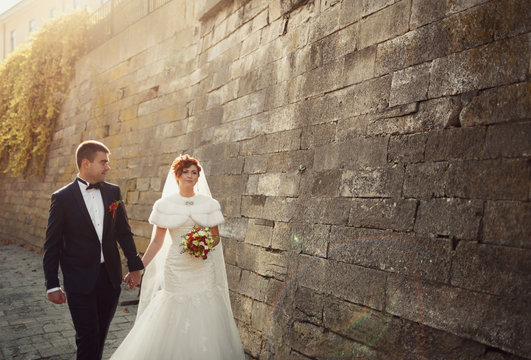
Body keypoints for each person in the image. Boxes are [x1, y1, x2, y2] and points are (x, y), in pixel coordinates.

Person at [111, 154, 245, 360]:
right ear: (177, 175)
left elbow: (216, 237)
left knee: (205, 308)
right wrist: (138, 268)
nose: (190, 176)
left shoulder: (208, 204)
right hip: (176, 267)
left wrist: (204, 243)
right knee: (173, 307)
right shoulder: (165, 204)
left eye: (194, 172)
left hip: (202, 266)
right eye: (186, 172)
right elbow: (156, 242)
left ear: (198, 176)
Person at [43, 140, 144, 360]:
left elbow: (124, 233)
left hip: (109, 278)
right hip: (79, 280)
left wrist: (135, 267)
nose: (108, 167)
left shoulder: (113, 192)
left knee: (99, 337)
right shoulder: (62, 198)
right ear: (86, 163)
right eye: (103, 162)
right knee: (88, 337)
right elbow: (52, 245)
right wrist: (52, 284)